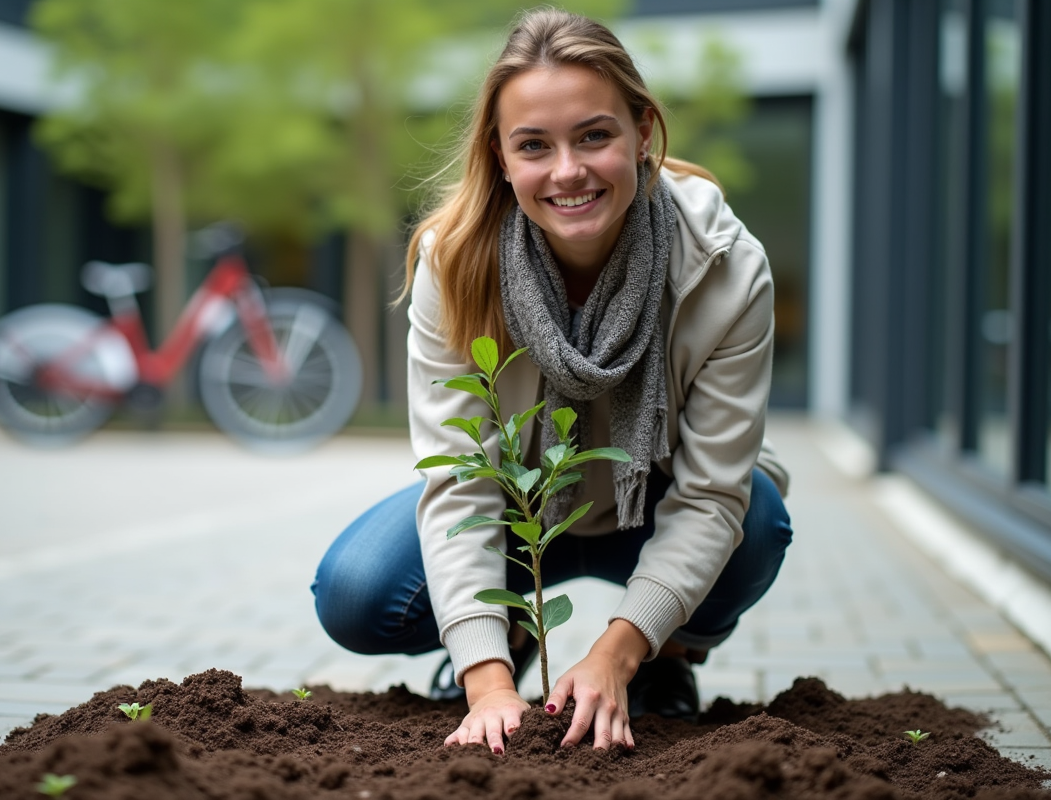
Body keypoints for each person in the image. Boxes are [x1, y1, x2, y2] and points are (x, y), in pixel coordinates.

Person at [312, 7, 792, 753]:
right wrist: (487, 680)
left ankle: (663, 659)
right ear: (501, 158)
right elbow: (462, 485)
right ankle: (505, 631)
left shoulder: (723, 264)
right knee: (355, 591)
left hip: (654, 503)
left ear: (641, 133)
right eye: (534, 145)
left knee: (757, 520)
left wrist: (614, 654)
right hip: (515, 514)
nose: (567, 171)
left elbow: (710, 496)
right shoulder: (456, 262)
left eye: (594, 135)